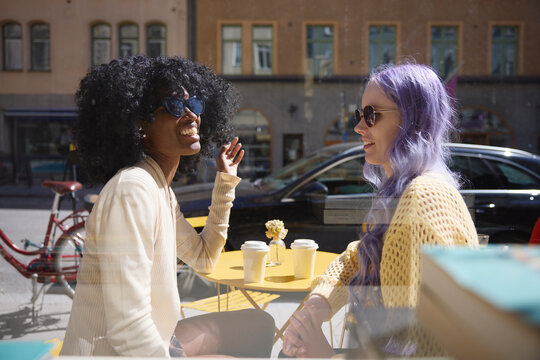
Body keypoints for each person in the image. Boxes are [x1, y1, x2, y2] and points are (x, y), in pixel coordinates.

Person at [60, 55, 275, 358]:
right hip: (112, 352)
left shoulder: (159, 188)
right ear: (139, 123)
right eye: (175, 106)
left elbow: (204, 259)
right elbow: (128, 330)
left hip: (157, 338)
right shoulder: (132, 191)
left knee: (259, 324)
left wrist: (225, 182)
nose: (191, 115)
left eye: (196, 105)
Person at [282, 62, 478, 358]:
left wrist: (323, 355)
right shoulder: (407, 189)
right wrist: (320, 302)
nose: (359, 127)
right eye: (360, 115)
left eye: (371, 115)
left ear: (411, 120)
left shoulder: (421, 198)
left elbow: (412, 349)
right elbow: (360, 254)